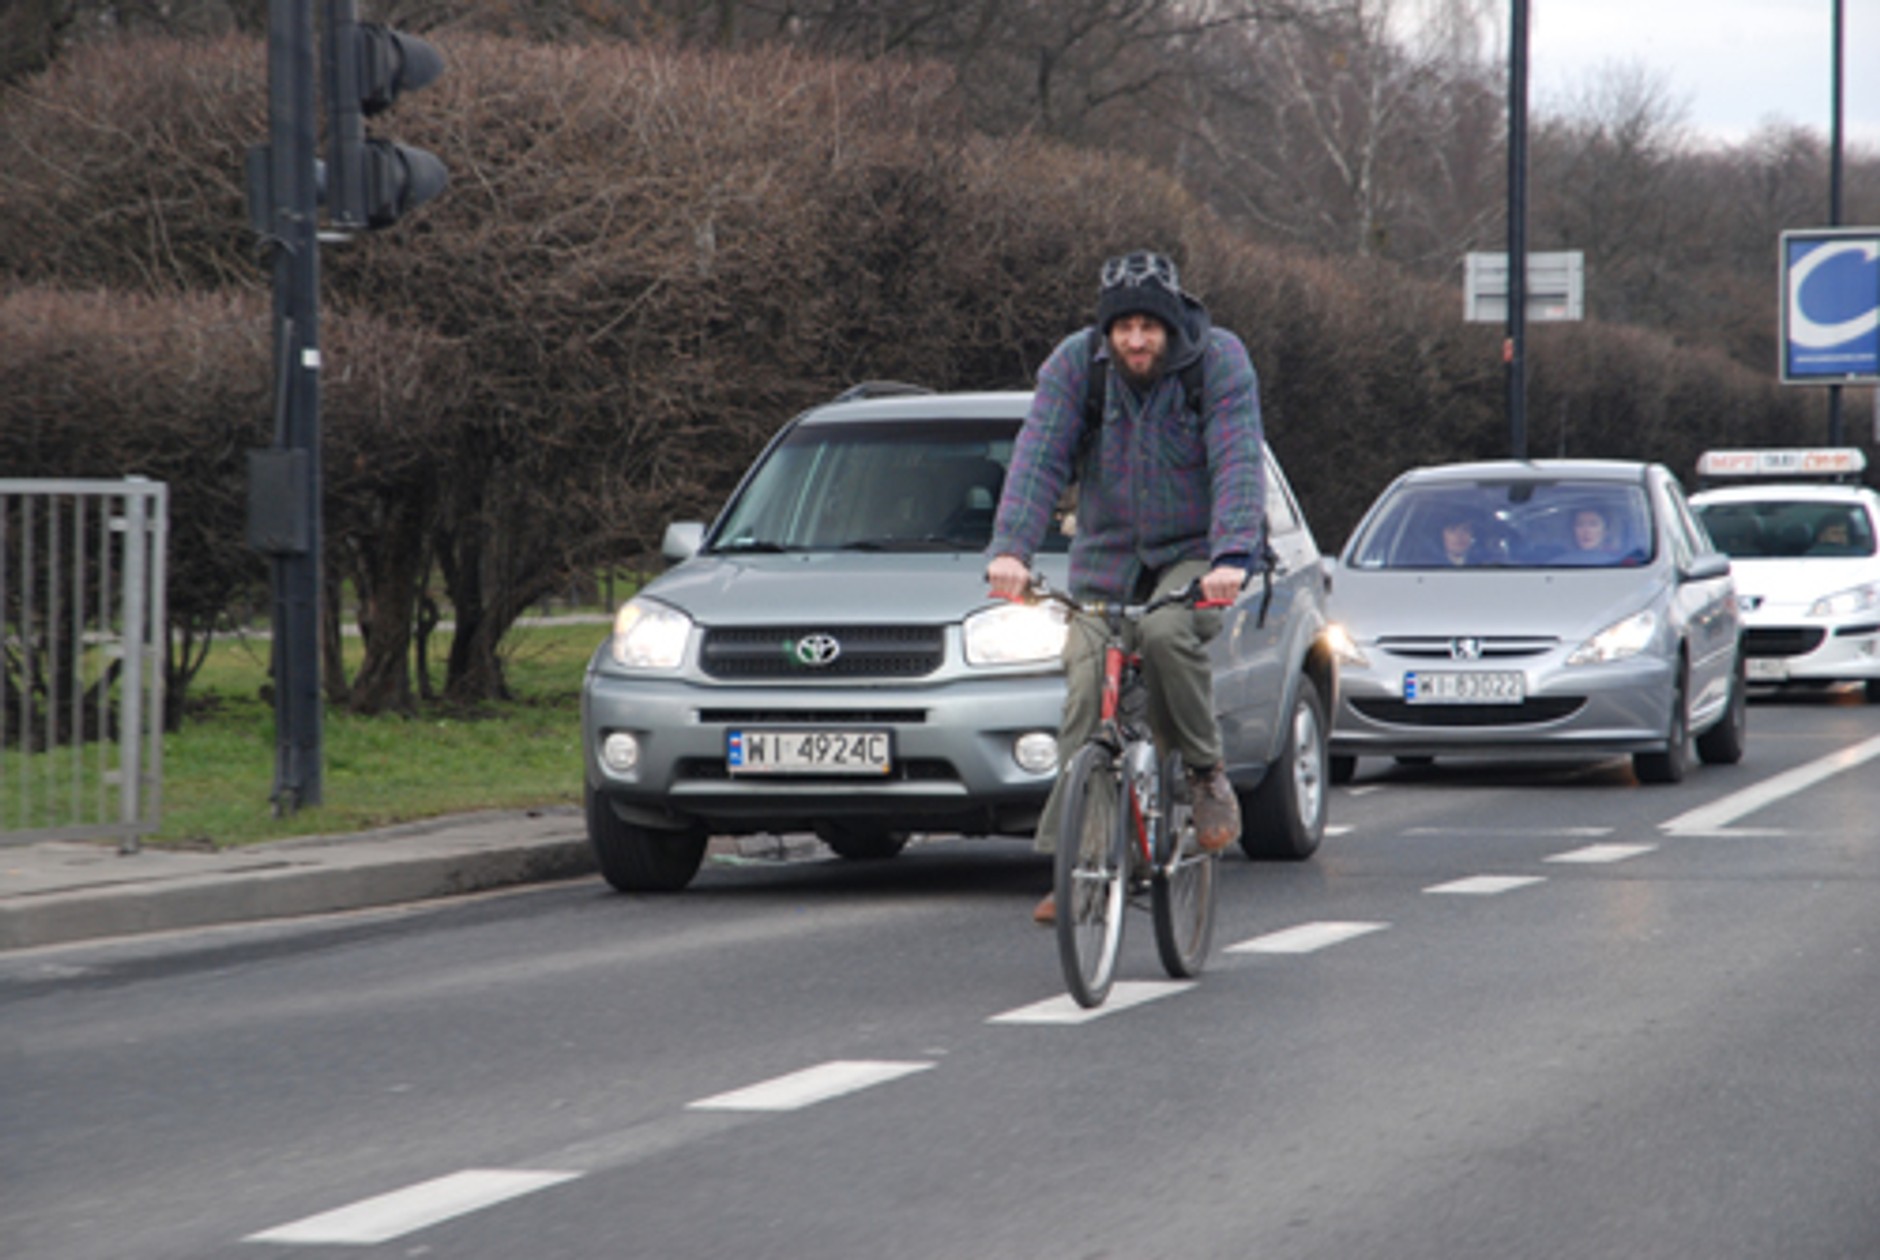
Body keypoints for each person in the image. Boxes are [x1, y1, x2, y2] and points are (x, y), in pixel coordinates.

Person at [985, 250, 1265, 925]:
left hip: (1196, 553)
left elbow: (1235, 456)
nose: (1136, 340)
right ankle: (1077, 864)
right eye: (1123, 328)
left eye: (1149, 326)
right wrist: (1011, 550)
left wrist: (1231, 554)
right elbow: (1039, 457)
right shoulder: (1075, 367)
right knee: (1086, 688)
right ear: (1105, 331)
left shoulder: (1217, 362)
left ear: (1170, 325)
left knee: (1168, 634)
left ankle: (1204, 777)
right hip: (1106, 556)